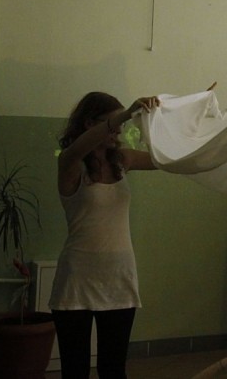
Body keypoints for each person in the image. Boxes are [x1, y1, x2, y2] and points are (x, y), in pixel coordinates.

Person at [51, 92, 161, 379]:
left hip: (119, 276)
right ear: (90, 123)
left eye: (121, 124)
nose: (119, 131)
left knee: (113, 369)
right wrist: (125, 114)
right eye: (114, 124)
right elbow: (77, 149)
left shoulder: (122, 160)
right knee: (75, 371)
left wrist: (190, 123)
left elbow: (168, 160)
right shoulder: (71, 162)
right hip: (78, 278)